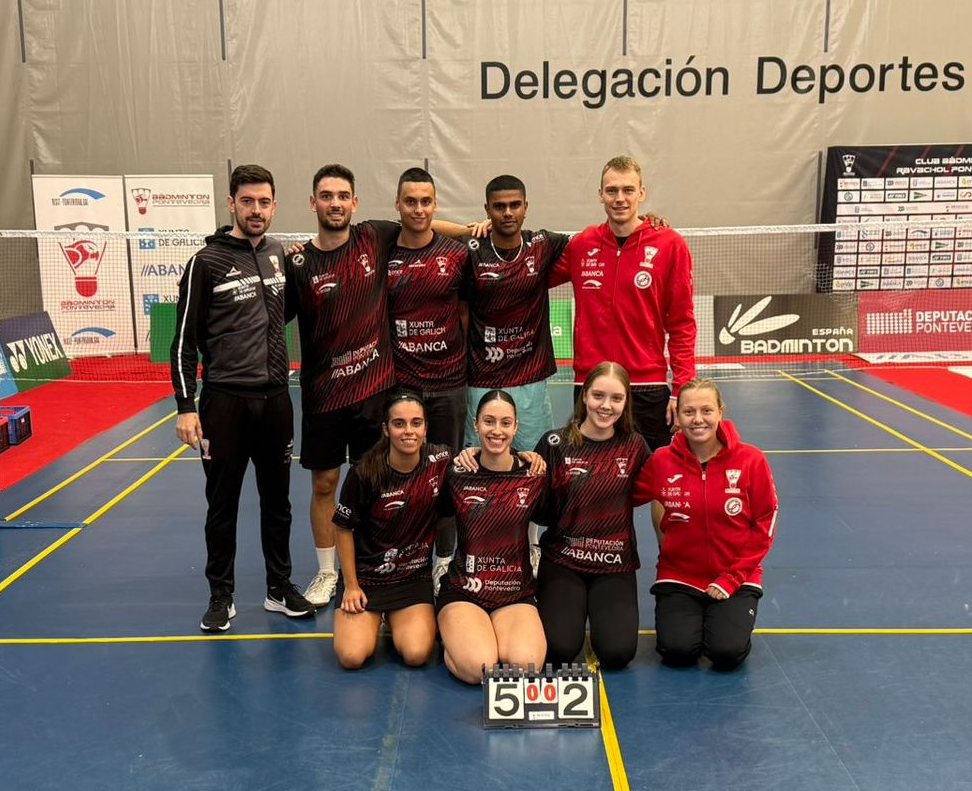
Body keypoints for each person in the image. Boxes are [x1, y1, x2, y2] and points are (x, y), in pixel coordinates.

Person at [171, 163, 314, 632]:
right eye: (248, 201)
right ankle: (221, 595)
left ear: (274, 206)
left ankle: (279, 587)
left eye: (264, 202)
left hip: (276, 402)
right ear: (231, 203)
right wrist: (186, 406)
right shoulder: (205, 262)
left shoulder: (278, 256)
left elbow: (281, 313)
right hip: (224, 404)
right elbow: (183, 342)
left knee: (278, 503)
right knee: (222, 505)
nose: (256, 210)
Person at [285, 164, 403, 606]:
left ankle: (373, 564)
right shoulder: (298, 263)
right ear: (313, 203)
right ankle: (326, 572)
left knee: (376, 482)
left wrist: (472, 230)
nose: (335, 203)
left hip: (375, 391)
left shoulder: (374, 236)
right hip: (323, 396)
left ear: (354, 202)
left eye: (342, 196)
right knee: (324, 484)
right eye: (326, 196)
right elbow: (270, 312)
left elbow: (424, 224)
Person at [551, 155, 696, 452]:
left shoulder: (670, 245)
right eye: (612, 190)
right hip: (590, 385)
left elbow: (682, 324)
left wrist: (682, 388)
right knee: (590, 473)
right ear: (600, 194)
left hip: (647, 386)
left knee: (655, 473)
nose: (620, 198)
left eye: (628, 190)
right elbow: (530, 275)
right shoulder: (582, 244)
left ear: (642, 192)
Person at [632, 378, 778, 670]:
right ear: (678, 416)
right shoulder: (662, 460)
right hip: (679, 575)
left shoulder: (751, 459)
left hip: (735, 576)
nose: (698, 419)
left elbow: (766, 520)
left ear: (720, 411)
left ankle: (729, 620)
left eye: (706, 410)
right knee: (677, 651)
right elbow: (623, 494)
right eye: (689, 412)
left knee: (726, 653)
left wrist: (732, 578)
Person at [534, 361, 650, 670]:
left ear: (625, 402)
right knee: (559, 649)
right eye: (599, 395)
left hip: (614, 562)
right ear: (584, 395)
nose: (606, 406)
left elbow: (667, 482)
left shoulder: (635, 446)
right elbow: (531, 502)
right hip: (563, 560)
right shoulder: (554, 444)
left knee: (618, 653)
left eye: (616, 398)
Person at [386, 168, 470, 581]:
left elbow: (465, 311)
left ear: (435, 204)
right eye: (410, 201)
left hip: (449, 384)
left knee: (447, 471)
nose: (418, 209)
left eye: (425, 201)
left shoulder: (456, 254)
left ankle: (445, 559)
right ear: (397, 204)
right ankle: (406, 556)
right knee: (404, 473)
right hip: (402, 384)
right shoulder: (382, 251)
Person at [331, 392, 451, 669]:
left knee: (416, 654)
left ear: (425, 427)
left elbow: (480, 459)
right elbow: (343, 529)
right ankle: (375, 616)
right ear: (386, 429)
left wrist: (523, 457)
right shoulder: (364, 473)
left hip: (412, 577)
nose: (408, 431)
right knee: (351, 657)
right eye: (399, 424)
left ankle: (394, 618)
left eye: (416, 423)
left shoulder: (441, 459)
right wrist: (351, 586)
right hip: (367, 579)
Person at [437, 390, 547, 684]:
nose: (497, 430)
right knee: (478, 669)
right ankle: (456, 640)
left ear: (516, 427)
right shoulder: (457, 473)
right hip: (465, 590)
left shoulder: (533, 474)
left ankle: (486, 635)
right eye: (489, 421)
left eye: (505, 423)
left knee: (527, 666)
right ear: (475, 424)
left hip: (514, 591)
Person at [462, 175, 572, 453]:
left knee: (536, 461)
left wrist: (639, 221)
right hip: (482, 379)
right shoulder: (471, 249)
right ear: (487, 209)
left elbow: (597, 239)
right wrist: (466, 229)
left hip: (530, 379)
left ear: (526, 207)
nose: (508, 212)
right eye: (499, 207)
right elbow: (419, 227)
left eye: (515, 205)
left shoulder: (542, 244)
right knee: (479, 463)